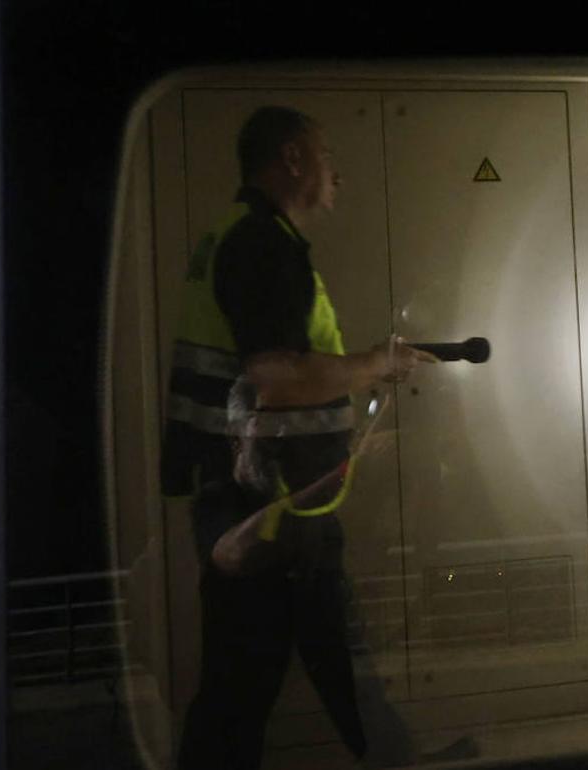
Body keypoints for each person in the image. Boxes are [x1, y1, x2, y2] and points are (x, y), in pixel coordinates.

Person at [162, 105, 434, 770]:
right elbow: (275, 379)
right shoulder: (263, 244)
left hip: (272, 506)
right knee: (244, 687)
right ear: (290, 159)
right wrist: (374, 363)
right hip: (268, 513)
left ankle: (398, 756)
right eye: (324, 154)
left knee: (327, 661)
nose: (335, 172)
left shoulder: (240, 236)